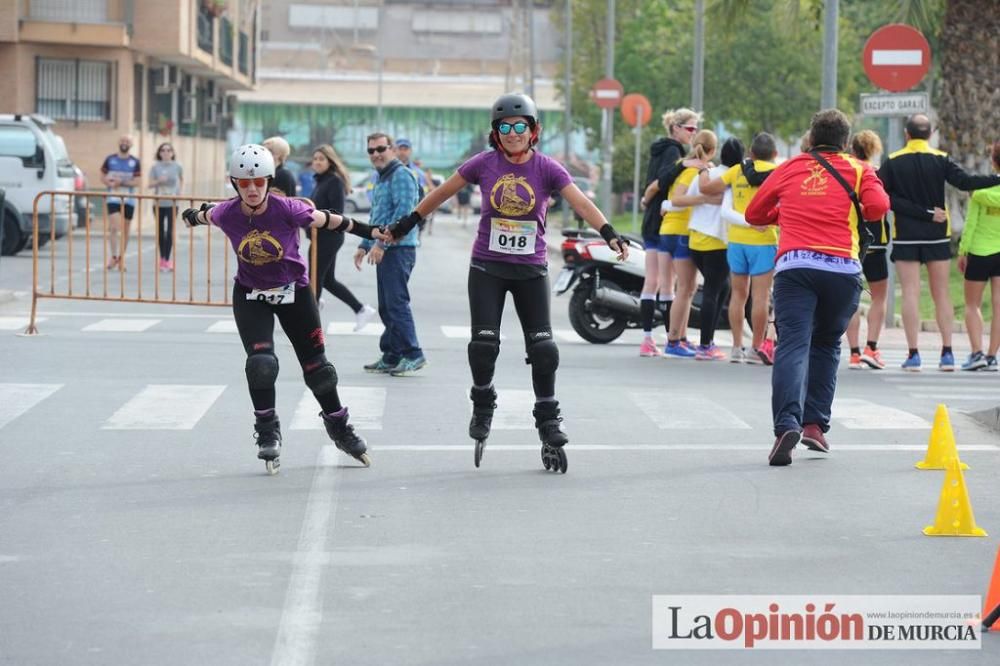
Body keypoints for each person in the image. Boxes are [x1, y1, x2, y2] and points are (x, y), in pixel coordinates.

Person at [384, 92, 629, 474]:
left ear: (534, 131)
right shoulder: (484, 164)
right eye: (505, 128)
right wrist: (405, 225)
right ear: (495, 133)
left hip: (530, 270)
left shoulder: (548, 169)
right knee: (484, 345)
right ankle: (483, 401)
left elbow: (579, 201)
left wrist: (609, 231)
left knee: (544, 349)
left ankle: (548, 418)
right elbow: (441, 193)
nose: (513, 133)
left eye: (520, 127)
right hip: (487, 268)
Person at [181, 144, 388, 471]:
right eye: (244, 183)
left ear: (268, 180)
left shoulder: (288, 209)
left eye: (258, 182)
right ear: (234, 183)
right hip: (250, 294)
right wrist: (193, 215)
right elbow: (206, 214)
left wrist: (370, 231)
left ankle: (339, 427)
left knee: (318, 370)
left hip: (295, 292)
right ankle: (267, 431)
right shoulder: (227, 212)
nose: (252, 189)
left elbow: (332, 220)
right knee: (262, 363)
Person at [744, 109, 890, 467]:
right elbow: (877, 208)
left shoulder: (789, 167)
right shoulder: (860, 169)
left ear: (810, 138)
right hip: (841, 270)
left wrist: (786, 213)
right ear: (845, 140)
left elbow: (754, 214)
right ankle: (814, 426)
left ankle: (785, 426)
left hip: (795, 268)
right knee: (826, 345)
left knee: (793, 344)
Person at [878, 114, 1000, 371]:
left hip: (906, 236)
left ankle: (913, 355)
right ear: (931, 134)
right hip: (937, 234)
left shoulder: (892, 162)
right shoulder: (941, 159)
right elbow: (966, 182)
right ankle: (947, 354)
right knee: (941, 293)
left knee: (910, 292)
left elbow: (885, 198)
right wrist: (997, 179)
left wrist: (920, 213)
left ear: (907, 135)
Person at [701, 132, 780, 365]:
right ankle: (757, 347)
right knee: (761, 297)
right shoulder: (777, 174)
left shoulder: (736, 171)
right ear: (775, 154)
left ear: (751, 154)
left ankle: (736, 347)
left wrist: (703, 169)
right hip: (764, 240)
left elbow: (707, 189)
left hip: (736, 241)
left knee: (738, 294)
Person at [353, 133, 427, 377]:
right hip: (385, 249)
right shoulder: (382, 177)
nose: (376, 154)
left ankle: (413, 354)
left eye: (381, 148)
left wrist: (381, 245)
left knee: (396, 304)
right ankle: (392, 354)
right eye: (371, 150)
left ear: (393, 149)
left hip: (399, 250)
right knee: (386, 305)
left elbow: (404, 215)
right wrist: (364, 244)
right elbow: (377, 216)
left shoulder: (402, 175)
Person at [636, 108, 700, 357]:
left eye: (695, 130)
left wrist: (645, 199)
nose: (693, 134)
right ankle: (672, 339)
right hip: (660, 219)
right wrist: (684, 164)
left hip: (651, 216)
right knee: (665, 282)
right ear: (676, 128)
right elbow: (660, 182)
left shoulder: (660, 148)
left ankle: (649, 339)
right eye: (690, 129)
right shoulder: (673, 151)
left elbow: (651, 186)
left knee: (655, 281)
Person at [678, 137, 744, 360]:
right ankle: (705, 346)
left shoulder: (707, 173)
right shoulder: (732, 177)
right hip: (716, 241)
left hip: (695, 239)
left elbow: (694, 197)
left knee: (721, 288)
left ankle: (708, 341)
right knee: (713, 291)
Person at [659, 130, 717, 357]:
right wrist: (705, 198)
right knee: (684, 289)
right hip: (680, 232)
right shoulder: (695, 170)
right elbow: (678, 199)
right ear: (712, 150)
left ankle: (680, 338)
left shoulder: (685, 166)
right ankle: (673, 341)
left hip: (669, 231)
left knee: (684, 288)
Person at [308, 144, 378, 330]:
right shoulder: (321, 181)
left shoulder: (333, 181)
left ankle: (309, 328)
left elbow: (337, 212)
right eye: (315, 159)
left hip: (328, 237)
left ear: (330, 162)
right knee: (326, 280)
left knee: (314, 280)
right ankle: (361, 309)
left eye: (321, 159)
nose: (317, 162)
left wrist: (317, 221)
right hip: (319, 237)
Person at [844, 130, 890, 369]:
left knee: (852, 297)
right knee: (879, 297)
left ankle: (853, 352)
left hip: (851, 241)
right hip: (876, 242)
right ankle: (872, 348)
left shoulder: (847, 171)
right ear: (873, 149)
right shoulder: (874, 173)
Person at [957, 140, 1000, 371]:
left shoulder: (981, 191)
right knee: (999, 306)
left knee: (972, 305)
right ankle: (993, 357)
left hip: (980, 252)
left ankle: (977, 353)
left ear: (993, 161)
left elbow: (971, 224)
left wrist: (963, 250)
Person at [100, 135, 141, 270]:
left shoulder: (135, 162)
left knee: (126, 229)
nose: (124, 143)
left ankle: (121, 258)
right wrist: (109, 182)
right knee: (114, 226)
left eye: (127, 141)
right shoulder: (110, 159)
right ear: (119, 142)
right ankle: (113, 256)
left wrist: (121, 182)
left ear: (131, 144)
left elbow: (137, 182)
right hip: (113, 197)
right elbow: (102, 176)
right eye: (122, 141)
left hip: (129, 199)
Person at [149, 142, 183, 272]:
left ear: (173, 153)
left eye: (169, 150)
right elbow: (149, 184)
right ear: (159, 153)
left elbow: (181, 179)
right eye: (163, 150)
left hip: (172, 203)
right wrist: (159, 181)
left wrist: (179, 192)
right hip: (158, 203)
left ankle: (167, 260)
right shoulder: (155, 167)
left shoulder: (177, 166)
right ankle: (162, 258)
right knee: (160, 231)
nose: (166, 152)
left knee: (169, 231)